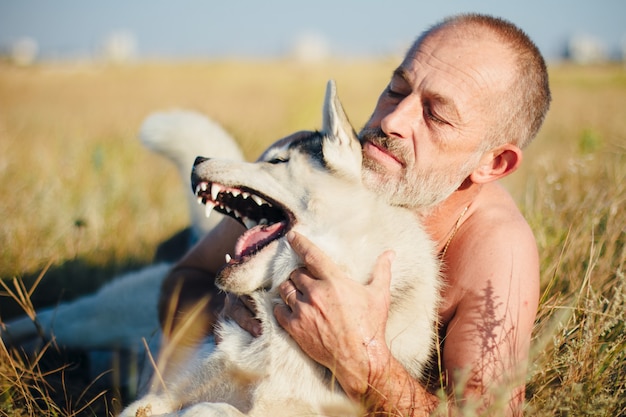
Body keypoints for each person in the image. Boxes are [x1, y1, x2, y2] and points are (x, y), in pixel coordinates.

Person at [158, 13, 551, 416]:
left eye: (436, 116)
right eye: (397, 90)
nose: (392, 121)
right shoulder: (303, 161)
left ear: (493, 163)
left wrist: (366, 363)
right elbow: (183, 280)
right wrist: (223, 309)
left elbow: (490, 414)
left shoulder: (497, 252)